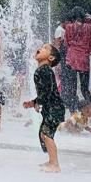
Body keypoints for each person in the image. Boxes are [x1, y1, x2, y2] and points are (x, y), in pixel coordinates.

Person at [24, 43, 66, 172]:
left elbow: (47, 91)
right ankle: (51, 160)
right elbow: (45, 92)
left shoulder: (45, 70)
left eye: (45, 48)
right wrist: (34, 102)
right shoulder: (42, 70)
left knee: (47, 134)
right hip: (51, 107)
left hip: (55, 108)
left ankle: (55, 164)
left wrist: (37, 102)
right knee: (43, 134)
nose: (40, 48)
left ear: (51, 58)